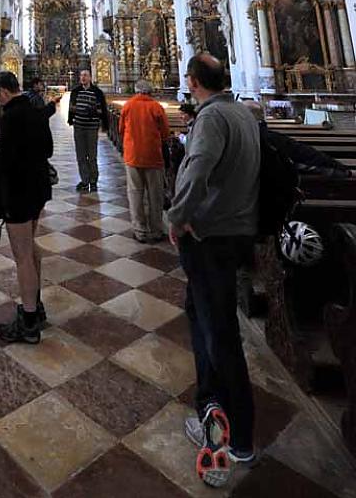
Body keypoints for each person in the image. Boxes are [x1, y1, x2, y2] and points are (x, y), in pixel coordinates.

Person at [168, 54, 260, 476]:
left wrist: (176, 215)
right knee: (203, 316)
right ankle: (211, 408)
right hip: (237, 229)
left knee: (220, 333)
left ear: (193, 81)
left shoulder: (210, 119)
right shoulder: (242, 112)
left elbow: (198, 168)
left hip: (211, 236)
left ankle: (239, 437)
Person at [0, 71, 52, 344]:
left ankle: (28, 322)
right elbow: (48, 149)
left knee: (22, 255)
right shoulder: (37, 109)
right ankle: (35, 307)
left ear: (4, 91)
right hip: (38, 189)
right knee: (32, 247)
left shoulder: (11, 117)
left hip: (18, 191)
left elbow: (7, 160)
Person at [119, 79, 170, 242]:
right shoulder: (156, 107)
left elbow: (121, 129)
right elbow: (165, 133)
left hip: (133, 155)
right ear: (150, 91)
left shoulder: (128, 105)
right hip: (153, 156)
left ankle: (139, 230)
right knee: (155, 195)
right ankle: (156, 230)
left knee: (135, 193)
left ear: (136, 90)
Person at [68, 69, 109, 192]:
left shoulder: (97, 92)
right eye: (81, 76)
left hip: (91, 127)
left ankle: (93, 181)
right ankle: (85, 181)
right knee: (81, 155)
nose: (83, 78)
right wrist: (71, 118)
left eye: (85, 75)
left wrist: (95, 113)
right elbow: (71, 107)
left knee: (92, 155)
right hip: (79, 126)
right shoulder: (75, 91)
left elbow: (103, 110)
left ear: (90, 77)